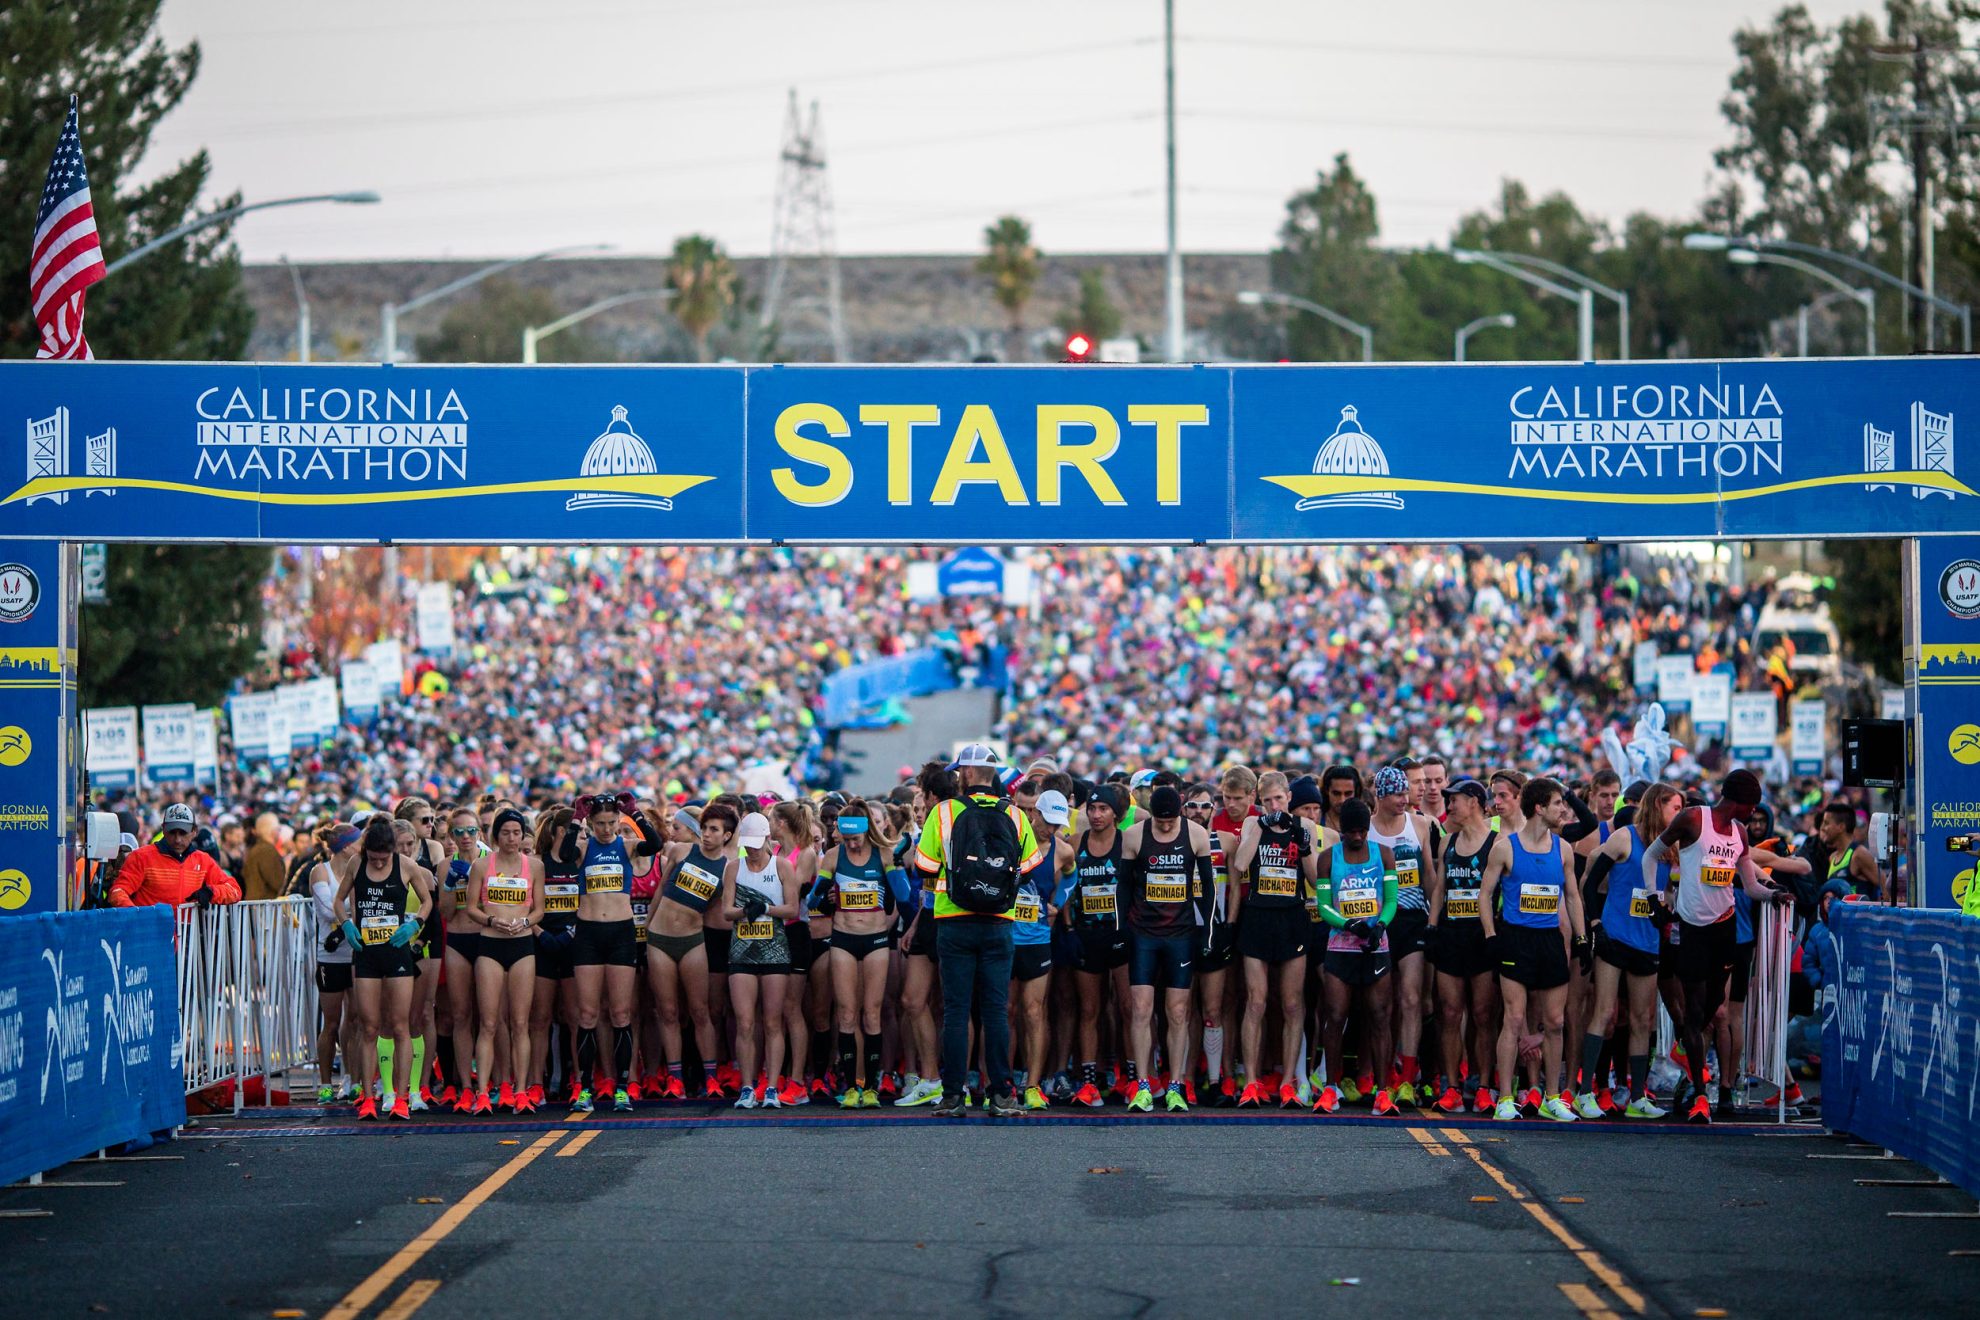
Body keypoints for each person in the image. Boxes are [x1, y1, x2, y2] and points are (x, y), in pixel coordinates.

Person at [1645, 768, 1794, 1124]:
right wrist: (1654, 900)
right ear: (1738, 801)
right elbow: (1651, 855)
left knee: (1713, 1008)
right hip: (1691, 929)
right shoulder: (1694, 819)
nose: (1753, 814)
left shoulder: (1740, 833)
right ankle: (1699, 1093)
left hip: (1724, 930)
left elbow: (1749, 885)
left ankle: (1686, 1051)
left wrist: (1774, 894)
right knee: (1696, 1012)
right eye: (1752, 806)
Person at [913, 743, 1041, 1118]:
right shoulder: (1015, 814)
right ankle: (1001, 1094)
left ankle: (954, 1096)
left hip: (953, 919)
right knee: (996, 1011)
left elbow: (923, 865)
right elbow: (1030, 867)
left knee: (956, 1010)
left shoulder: (944, 812)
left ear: (966, 774)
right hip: (1000, 921)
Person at [1479, 777, 1584, 1123]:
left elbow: (1571, 897)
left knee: (1554, 1021)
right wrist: (1491, 936)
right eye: (1558, 803)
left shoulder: (1563, 849)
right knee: (1514, 1019)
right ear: (1539, 807)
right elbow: (1485, 894)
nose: (1564, 810)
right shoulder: (1505, 847)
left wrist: (1582, 938)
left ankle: (1552, 1097)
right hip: (1515, 940)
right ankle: (1506, 1098)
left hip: (1550, 940)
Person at [1577, 781, 1681, 1120]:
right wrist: (1595, 926)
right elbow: (1590, 884)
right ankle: (1584, 1092)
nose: (1678, 815)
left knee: (1642, 1019)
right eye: (1674, 808)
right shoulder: (1624, 837)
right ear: (1657, 806)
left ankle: (1637, 1097)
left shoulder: (1669, 846)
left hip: (1647, 941)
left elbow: (1666, 890)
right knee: (1604, 1014)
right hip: (1614, 937)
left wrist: (1665, 910)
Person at [556, 790, 662, 1113]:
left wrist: (637, 813)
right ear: (591, 822)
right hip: (588, 933)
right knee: (587, 1014)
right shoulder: (583, 849)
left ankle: (621, 1086)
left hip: (620, 933)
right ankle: (586, 1086)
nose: (606, 829)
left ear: (618, 821)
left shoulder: (626, 846)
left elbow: (655, 845)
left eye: (611, 823)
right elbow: (562, 853)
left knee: (620, 1014)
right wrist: (575, 817)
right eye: (599, 823)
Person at [1118, 785, 1216, 1113]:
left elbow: (1208, 890)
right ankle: (1144, 1084)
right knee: (1141, 1009)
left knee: (1177, 1012)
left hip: (1181, 934)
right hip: (1144, 933)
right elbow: (1124, 887)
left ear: (1181, 813)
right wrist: (1121, 930)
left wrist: (1208, 933)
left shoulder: (1197, 835)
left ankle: (1176, 1084)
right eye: (1160, 822)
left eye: (1170, 821)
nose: (1164, 826)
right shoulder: (1134, 836)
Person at [332, 817, 436, 1120]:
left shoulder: (405, 865)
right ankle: (368, 1098)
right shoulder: (356, 864)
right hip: (367, 953)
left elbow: (428, 900)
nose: (378, 865)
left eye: (383, 859)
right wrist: (347, 924)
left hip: (397, 952)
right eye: (374, 859)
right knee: (369, 1027)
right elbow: (339, 901)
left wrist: (415, 923)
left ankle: (402, 1097)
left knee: (400, 1025)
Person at [1230, 771, 1322, 1107]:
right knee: (1256, 1001)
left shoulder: (1305, 827)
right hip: (1258, 917)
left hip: (1292, 918)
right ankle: (1251, 1081)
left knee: (1292, 1003)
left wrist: (1303, 840)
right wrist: (1263, 825)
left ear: (1288, 797)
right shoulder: (1255, 825)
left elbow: (1314, 878)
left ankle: (1287, 1081)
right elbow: (1240, 864)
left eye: (1278, 800)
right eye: (1267, 801)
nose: (1273, 806)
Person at [822, 799, 914, 1107]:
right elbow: (815, 902)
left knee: (872, 1013)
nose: (851, 845)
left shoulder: (884, 853)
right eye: (846, 839)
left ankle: (872, 1086)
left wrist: (893, 866)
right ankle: (852, 1086)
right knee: (847, 1014)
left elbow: (903, 896)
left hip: (875, 938)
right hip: (843, 937)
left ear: (868, 832)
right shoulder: (833, 856)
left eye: (856, 839)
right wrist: (828, 895)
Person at [1312, 797, 1400, 1114]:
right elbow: (1323, 906)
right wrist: (1347, 923)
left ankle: (1382, 1091)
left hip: (1376, 945)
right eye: (1351, 832)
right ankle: (1331, 1089)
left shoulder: (1384, 855)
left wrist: (1380, 926)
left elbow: (1391, 899)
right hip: (1340, 947)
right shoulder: (1327, 859)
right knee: (1335, 1016)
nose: (1358, 837)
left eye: (1363, 831)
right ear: (1342, 830)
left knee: (1379, 1016)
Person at [646, 804, 736, 1101]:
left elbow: (719, 911)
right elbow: (661, 887)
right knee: (668, 1011)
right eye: (704, 828)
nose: (707, 834)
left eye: (714, 830)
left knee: (700, 1012)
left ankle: (711, 1078)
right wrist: (648, 924)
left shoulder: (728, 869)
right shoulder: (682, 851)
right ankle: (675, 1079)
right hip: (659, 938)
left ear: (727, 836)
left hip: (693, 941)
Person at [1425, 779, 1500, 1113]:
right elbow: (1440, 887)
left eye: (1453, 800)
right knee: (1450, 1013)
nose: (1449, 806)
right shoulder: (1447, 842)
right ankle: (1452, 1086)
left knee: (1484, 1014)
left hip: (1482, 938)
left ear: (1473, 802)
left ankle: (1484, 1086)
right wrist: (1432, 927)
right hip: (1451, 936)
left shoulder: (1498, 844)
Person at [1366, 764, 1438, 1103]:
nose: (1404, 799)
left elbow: (1430, 878)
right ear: (1379, 795)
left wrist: (1435, 919)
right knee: (1383, 1003)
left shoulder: (1419, 824)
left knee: (1411, 998)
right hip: (1377, 922)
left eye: (1405, 792)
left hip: (1412, 920)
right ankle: (1384, 1072)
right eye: (1396, 794)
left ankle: (1408, 1078)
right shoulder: (1366, 830)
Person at [467, 807, 544, 1115]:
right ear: (495, 835)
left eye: (517, 833)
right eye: (506, 833)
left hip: (522, 945)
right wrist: (491, 920)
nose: (512, 839)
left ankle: (522, 1090)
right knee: (488, 1022)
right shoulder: (482, 865)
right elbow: (471, 907)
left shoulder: (534, 866)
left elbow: (540, 909)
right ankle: (484, 1092)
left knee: (520, 1023)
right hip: (490, 945)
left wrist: (525, 923)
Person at [724, 812, 799, 1108]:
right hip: (742, 950)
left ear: (768, 839)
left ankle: (771, 1085)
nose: (752, 850)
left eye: (757, 844)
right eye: (748, 845)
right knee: (744, 1022)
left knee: (772, 1021)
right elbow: (725, 911)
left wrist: (765, 907)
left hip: (774, 950)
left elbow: (792, 909)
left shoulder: (781, 866)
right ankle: (746, 1086)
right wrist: (745, 911)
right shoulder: (733, 868)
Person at [1064, 783, 1133, 1108]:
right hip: (1086, 935)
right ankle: (1090, 1082)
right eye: (1092, 809)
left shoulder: (1127, 842)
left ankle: (1132, 1078)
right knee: (1089, 1010)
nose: (1096, 815)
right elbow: (1064, 887)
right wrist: (1068, 927)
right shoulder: (1077, 843)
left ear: (1116, 814)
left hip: (1119, 935)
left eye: (1103, 809)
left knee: (1128, 1009)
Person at [1012, 787, 1071, 1109]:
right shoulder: (1015, 842)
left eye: (1057, 824)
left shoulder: (1062, 851)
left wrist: (1058, 904)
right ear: (1034, 814)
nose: (1052, 829)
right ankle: (1004, 1081)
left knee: (1034, 1012)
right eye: (1048, 821)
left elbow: (1072, 878)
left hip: (1037, 938)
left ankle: (1033, 1085)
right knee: (1005, 1012)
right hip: (1006, 938)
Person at [310, 822, 360, 1104]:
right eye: (358, 842)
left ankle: (352, 1079)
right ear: (346, 846)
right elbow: (328, 910)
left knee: (354, 1021)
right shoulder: (321, 871)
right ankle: (326, 1083)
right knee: (330, 1023)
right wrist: (352, 909)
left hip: (353, 954)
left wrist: (346, 909)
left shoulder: (356, 868)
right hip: (329, 957)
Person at [109, 803, 242, 909]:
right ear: (164, 829)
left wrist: (211, 892)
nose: (177, 839)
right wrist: (138, 918)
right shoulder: (141, 857)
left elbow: (234, 890)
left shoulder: (203, 860)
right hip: (151, 938)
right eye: (172, 832)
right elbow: (118, 892)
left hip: (188, 939)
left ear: (194, 832)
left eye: (183, 833)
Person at [437, 807, 483, 1111]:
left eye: (471, 831)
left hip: (487, 939)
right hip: (457, 938)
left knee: (491, 1017)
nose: (465, 838)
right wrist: (452, 886)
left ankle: (493, 1080)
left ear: (479, 832)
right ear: (450, 836)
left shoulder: (490, 861)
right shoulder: (444, 866)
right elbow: (446, 913)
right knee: (461, 1015)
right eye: (458, 832)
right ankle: (465, 1085)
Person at [1816, 803, 1887, 902]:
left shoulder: (1858, 855)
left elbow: (1885, 885)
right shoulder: (1832, 857)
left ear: (1841, 827)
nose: (1823, 828)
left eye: (1826, 823)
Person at [241, 810, 287, 902]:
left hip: (256, 904)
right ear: (272, 831)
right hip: (264, 907)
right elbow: (277, 882)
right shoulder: (267, 850)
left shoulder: (256, 848)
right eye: (278, 829)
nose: (279, 832)